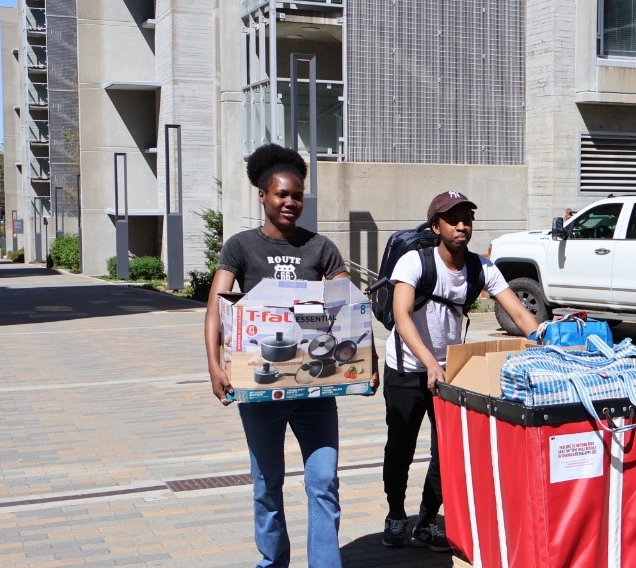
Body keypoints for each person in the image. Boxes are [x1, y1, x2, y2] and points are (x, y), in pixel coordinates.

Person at [203, 143, 379, 568]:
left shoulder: (321, 248)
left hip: (315, 391)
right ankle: (273, 562)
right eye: (282, 194)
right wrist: (213, 365)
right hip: (260, 388)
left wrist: (367, 365)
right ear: (262, 196)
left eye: (297, 195)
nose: (290, 202)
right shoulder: (241, 247)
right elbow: (216, 310)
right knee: (267, 484)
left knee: (323, 482)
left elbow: (350, 308)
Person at [380, 191, 540, 551]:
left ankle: (426, 519)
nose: (462, 225)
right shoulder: (414, 262)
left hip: (451, 373)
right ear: (436, 226)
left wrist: (544, 338)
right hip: (406, 369)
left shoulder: (480, 267)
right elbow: (402, 318)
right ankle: (394, 514)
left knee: (448, 452)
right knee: (401, 448)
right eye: (453, 219)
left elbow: (517, 312)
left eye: (467, 218)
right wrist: (429, 362)